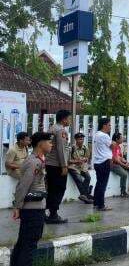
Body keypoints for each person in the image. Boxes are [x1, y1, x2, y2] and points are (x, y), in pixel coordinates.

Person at [11, 132, 52, 266]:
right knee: (29, 245)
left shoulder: (37, 159)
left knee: (23, 243)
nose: (51, 144)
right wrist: (17, 206)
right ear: (41, 144)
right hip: (33, 211)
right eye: (49, 142)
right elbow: (23, 186)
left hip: (33, 209)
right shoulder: (34, 162)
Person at [45, 109, 71, 224]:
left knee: (51, 189)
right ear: (64, 119)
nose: (70, 120)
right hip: (57, 165)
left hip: (50, 163)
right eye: (69, 118)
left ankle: (47, 212)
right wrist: (64, 166)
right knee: (59, 188)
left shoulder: (52, 128)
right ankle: (53, 214)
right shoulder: (61, 130)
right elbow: (61, 149)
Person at [92, 118, 113, 211]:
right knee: (102, 184)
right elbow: (112, 146)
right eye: (109, 125)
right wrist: (115, 143)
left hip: (98, 162)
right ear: (104, 125)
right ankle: (101, 205)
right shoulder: (104, 135)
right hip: (104, 161)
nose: (110, 127)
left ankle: (96, 203)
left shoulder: (97, 134)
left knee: (99, 183)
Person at [111, 132, 129, 197]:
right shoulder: (113, 145)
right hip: (113, 164)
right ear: (116, 139)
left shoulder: (118, 146)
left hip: (118, 163)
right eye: (121, 138)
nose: (123, 139)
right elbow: (115, 159)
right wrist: (124, 165)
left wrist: (126, 162)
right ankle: (123, 191)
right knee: (124, 174)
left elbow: (120, 158)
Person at [68, 133, 93, 204]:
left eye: (82, 139)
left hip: (81, 167)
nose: (81, 141)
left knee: (88, 177)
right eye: (79, 139)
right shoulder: (72, 148)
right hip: (73, 167)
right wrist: (77, 161)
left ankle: (84, 195)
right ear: (76, 140)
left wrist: (85, 159)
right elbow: (68, 161)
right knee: (79, 179)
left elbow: (87, 157)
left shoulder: (85, 148)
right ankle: (86, 194)